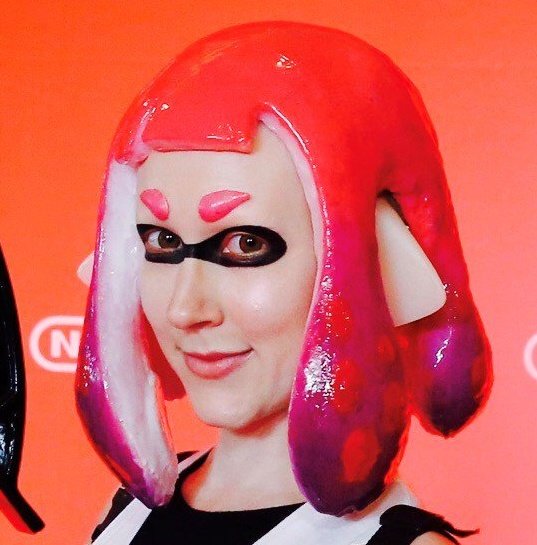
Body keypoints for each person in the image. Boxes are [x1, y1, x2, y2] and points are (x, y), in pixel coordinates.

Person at [76, 22, 492, 545]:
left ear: (375, 257)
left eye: (245, 244)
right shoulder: (123, 516)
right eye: (161, 242)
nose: (186, 308)